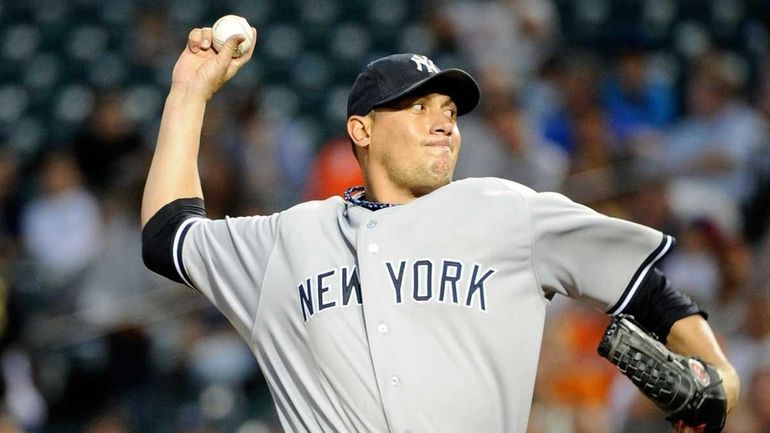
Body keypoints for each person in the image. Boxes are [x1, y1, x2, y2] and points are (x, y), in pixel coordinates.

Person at [141, 26, 740, 433]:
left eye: (449, 112)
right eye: (417, 107)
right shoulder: (288, 239)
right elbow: (167, 234)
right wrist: (190, 92)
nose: (442, 124)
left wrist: (720, 375)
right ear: (362, 130)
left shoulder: (507, 211)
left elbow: (646, 288)